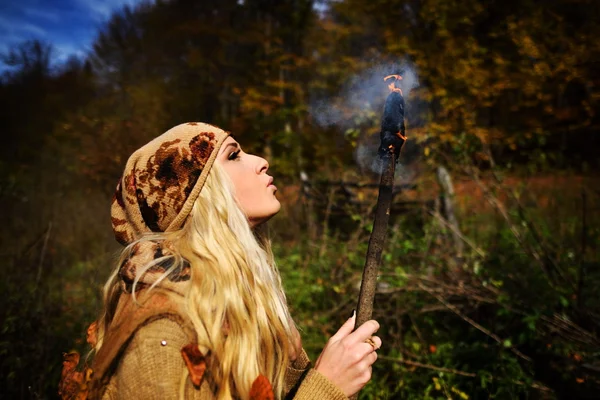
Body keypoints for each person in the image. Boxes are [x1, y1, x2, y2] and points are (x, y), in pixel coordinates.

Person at [88, 122, 381, 399]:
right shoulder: (162, 332)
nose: (261, 161)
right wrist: (326, 386)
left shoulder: (227, 303)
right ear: (195, 195)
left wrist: (307, 367)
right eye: (234, 155)